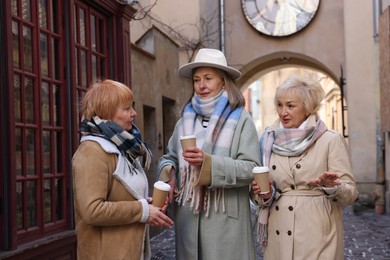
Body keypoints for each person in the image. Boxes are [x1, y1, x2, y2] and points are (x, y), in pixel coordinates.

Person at [157, 48, 260, 260]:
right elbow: (169, 158)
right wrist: (171, 172)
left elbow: (251, 168)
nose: (201, 85)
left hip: (225, 221)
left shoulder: (241, 119)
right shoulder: (184, 121)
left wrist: (209, 164)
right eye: (196, 80)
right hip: (188, 220)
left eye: (208, 78)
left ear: (223, 81)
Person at [252, 75, 358, 259]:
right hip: (278, 231)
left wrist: (332, 187)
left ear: (308, 107)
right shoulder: (268, 140)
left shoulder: (330, 140)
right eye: (279, 104)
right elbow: (257, 194)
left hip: (317, 233)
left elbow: (351, 194)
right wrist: (264, 194)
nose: (282, 112)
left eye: (290, 106)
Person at [72, 79, 173, 260]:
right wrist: (142, 210)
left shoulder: (123, 148)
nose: (134, 113)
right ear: (107, 114)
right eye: (127, 109)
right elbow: (92, 210)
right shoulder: (92, 152)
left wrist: (146, 203)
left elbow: (121, 196)